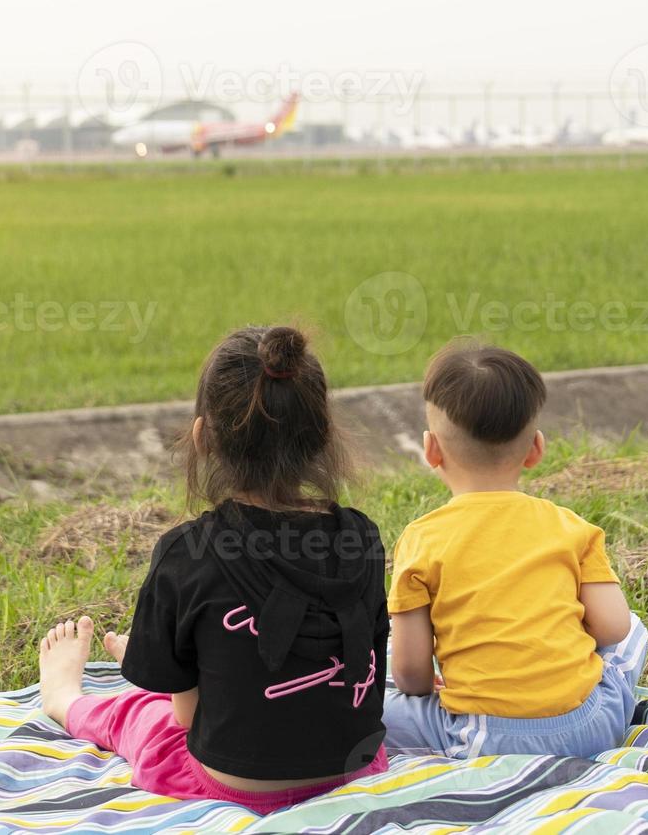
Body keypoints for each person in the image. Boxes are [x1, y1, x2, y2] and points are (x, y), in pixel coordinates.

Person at [38, 325, 391, 813]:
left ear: (202, 437)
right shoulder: (363, 537)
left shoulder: (187, 552)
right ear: (323, 434)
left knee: (145, 714)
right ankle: (160, 656)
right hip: (356, 769)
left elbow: (186, 719)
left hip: (230, 785)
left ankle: (65, 696)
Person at [383, 339, 647, 759]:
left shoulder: (421, 539)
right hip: (593, 725)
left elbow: (412, 675)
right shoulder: (570, 527)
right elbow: (612, 628)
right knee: (634, 628)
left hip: (482, 737)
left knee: (376, 696)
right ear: (536, 449)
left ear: (431, 450)